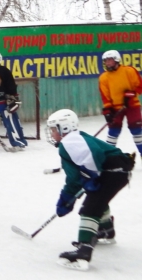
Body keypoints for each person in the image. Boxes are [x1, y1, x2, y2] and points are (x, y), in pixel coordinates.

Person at [46, 109, 134, 271]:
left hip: (115, 171)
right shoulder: (74, 139)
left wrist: (92, 175)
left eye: (53, 129)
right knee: (98, 198)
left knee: (90, 208)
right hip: (117, 169)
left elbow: (94, 156)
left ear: (64, 128)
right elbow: (75, 177)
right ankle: (105, 230)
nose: (51, 133)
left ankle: (84, 251)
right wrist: (67, 197)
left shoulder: (69, 142)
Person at [98, 50, 142, 154]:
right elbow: (105, 96)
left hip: (132, 105)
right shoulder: (104, 78)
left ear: (117, 60)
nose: (108, 63)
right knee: (113, 131)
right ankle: (108, 156)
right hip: (115, 108)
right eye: (106, 61)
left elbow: (139, 86)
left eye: (110, 60)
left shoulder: (129, 71)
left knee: (136, 130)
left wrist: (131, 94)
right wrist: (108, 110)